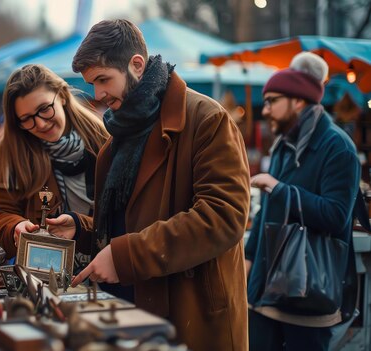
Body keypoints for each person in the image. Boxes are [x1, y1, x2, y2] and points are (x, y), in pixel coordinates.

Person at [46, 19, 250, 351]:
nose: (97, 95)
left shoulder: (207, 119)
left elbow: (223, 218)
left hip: (190, 315)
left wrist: (126, 257)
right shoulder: (115, 141)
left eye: (103, 80)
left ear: (136, 65)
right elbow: (126, 222)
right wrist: (82, 230)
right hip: (132, 312)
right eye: (91, 83)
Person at [244, 52, 361, 350]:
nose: (265, 110)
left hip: (309, 296)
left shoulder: (338, 147)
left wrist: (279, 188)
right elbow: (267, 212)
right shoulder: (285, 143)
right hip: (264, 292)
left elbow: (336, 216)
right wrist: (248, 258)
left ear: (298, 101)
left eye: (272, 101)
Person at [0, 64, 109, 259]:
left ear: (62, 95)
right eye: (26, 119)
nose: (40, 124)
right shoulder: (13, 147)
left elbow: (123, 219)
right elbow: (2, 214)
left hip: (103, 266)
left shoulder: (103, 137)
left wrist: (80, 226)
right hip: (42, 269)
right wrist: (15, 227)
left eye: (44, 109)